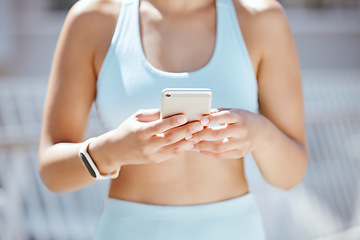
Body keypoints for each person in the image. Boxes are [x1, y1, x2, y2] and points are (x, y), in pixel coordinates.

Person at [39, 0, 308, 238]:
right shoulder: (92, 19)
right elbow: (52, 172)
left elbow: (291, 175)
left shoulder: (262, 18)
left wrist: (260, 134)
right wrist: (109, 152)